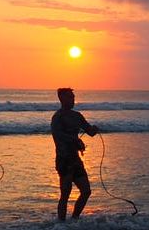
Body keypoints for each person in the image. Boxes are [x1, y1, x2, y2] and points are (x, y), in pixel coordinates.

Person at [51, 87, 99, 221]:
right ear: (61, 98)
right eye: (70, 97)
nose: (73, 99)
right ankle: (61, 224)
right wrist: (75, 140)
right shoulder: (57, 117)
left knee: (86, 191)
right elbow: (57, 135)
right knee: (65, 194)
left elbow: (90, 131)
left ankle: (74, 219)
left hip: (76, 160)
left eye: (73, 97)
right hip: (64, 160)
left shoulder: (77, 116)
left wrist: (94, 129)